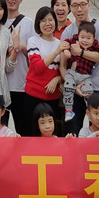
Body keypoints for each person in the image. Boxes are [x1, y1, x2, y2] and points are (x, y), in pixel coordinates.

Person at [61, 0, 99, 135]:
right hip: (75, 90)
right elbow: (62, 66)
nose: (79, 9)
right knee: (73, 131)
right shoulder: (68, 31)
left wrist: (81, 52)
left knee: (97, 132)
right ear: (70, 8)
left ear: (89, 5)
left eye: (83, 4)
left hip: (96, 88)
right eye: (75, 5)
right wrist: (72, 85)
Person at [23, 7, 67, 135]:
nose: (47, 24)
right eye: (43, 21)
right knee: (31, 133)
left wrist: (57, 79)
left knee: (52, 134)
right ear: (38, 24)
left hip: (52, 98)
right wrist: (56, 52)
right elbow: (37, 67)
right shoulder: (33, 41)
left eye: (50, 20)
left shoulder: (60, 43)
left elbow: (65, 70)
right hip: (33, 96)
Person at [2, 0, 37, 136]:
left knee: (24, 131)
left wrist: (21, 47)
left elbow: (35, 55)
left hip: (21, 85)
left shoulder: (28, 24)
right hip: (0, 86)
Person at [61, 21, 99, 122]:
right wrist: (66, 50)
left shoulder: (94, 45)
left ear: (93, 38)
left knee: (88, 92)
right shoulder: (74, 40)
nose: (85, 41)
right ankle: (68, 110)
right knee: (68, 88)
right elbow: (64, 43)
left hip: (86, 76)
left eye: (88, 38)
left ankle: (91, 112)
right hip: (72, 73)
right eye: (82, 37)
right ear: (78, 36)